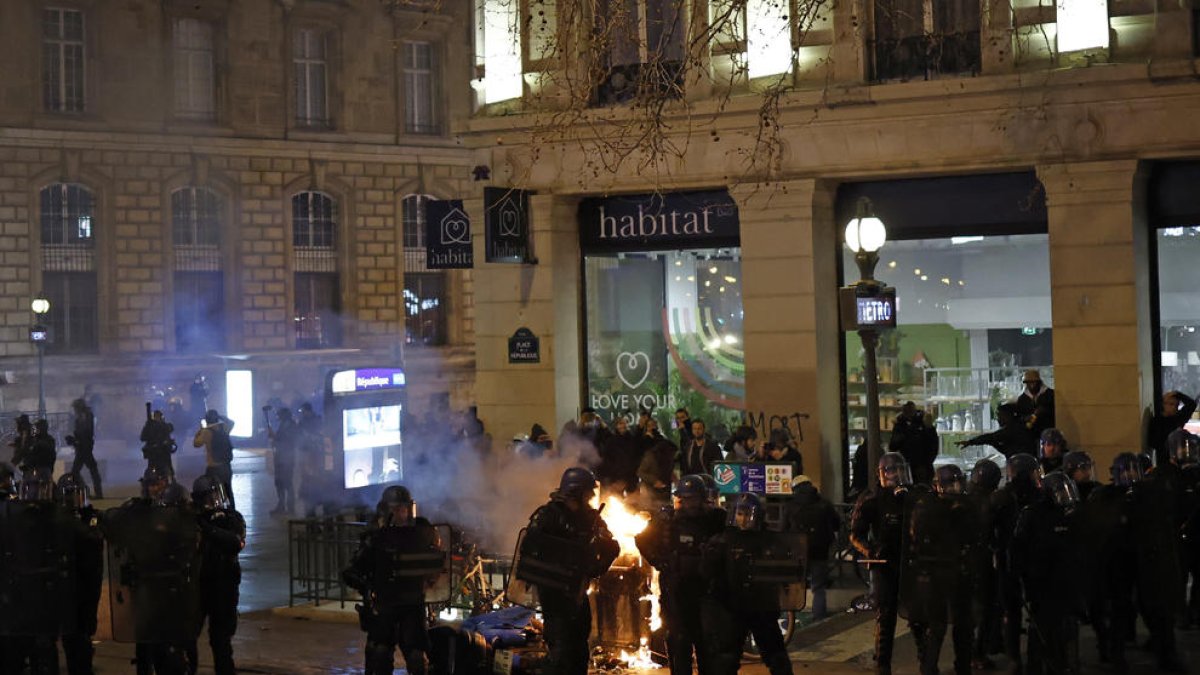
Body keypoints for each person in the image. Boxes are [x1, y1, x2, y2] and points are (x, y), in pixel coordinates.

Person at [519, 468, 619, 675]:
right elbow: (529, 547)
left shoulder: (591, 518)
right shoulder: (548, 516)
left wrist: (596, 569)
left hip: (577, 591)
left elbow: (611, 547)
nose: (591, 497)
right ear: (576, 492)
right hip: (554, 592)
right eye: (587, 492)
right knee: (560, 648)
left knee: (579, 645)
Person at [343, 486, 443, 675]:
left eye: (399, 509)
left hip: (385, 603)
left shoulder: (379, 538)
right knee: (415, 653)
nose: (398, 513)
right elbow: (436, 563)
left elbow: (355, 570)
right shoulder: (425, 533)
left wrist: (365, 586)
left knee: (380, 650)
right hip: (414, 603)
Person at [636, 475, 726, 675]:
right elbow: (642, 540)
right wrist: (660, 562)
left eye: (692, 498)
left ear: (702, 498)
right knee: (679, 645)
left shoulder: (715, 520)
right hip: (676, 593)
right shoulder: (669, 522)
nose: (688, 503)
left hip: (706, 592)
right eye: (684, 499)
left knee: (707, 647)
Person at [702, 493, 796, 675]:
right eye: (740, 514)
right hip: (732, 607)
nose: (744, 520)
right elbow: (707, 573)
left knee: (776, 656)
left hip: (762, 607)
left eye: (749, 515)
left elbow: (784, 571)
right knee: (727, 658)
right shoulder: (722, 541)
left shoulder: (769, 540)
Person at [850, 452, 922, 675]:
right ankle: (882, 664)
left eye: (901, 470)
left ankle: (927, 662)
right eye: (892, 471)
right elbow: (855, 534)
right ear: (883, 474)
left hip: (912, 561)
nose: (898, 475)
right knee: (886, 615)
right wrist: (871, 550)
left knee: (919, 615)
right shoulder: (872, 498)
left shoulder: (916, 495)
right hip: (886, 563)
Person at [904, 465, 978, 675]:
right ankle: (930, 667)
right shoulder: (928, 507)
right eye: (951, 484)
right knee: (936, 626)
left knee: (962, 625)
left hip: (956, 570)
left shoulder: (964, 505)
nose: (955, 487)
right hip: (936, 571)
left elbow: (974, 535)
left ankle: (961, 666)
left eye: (957, 483)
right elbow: (921, 537)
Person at [1011, 472, 1085, 675]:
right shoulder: (1033, 514)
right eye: (1059, 491)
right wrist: (1020, 575)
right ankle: (1038, 666)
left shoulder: (1070, 514)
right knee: (1043, 627)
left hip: (1064, 580)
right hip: (1041, 582)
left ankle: (1064, 663)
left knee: (1065, 625)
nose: (1064, 495)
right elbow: (1019, 548)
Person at [989, 452, 1042, 675]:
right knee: (1022, 611)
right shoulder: (1031, 496)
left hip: (1014, 559)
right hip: (1022, 559)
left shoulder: (1003, 496)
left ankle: (1017, 659)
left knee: (1013, 612)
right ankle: (1025, 659)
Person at [188, 475, 246, 675]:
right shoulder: (193, 521)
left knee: (220, 640)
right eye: (210, 497)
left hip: (224, 588)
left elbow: (235, 543)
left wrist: (209, 529)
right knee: (187, 635)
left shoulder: (232, 518)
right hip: (199, 586)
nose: (215, 501)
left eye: (217, 495)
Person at [58, 472, 104, 675]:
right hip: (65, 584)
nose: (73, 500)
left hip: (88, 583)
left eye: (76, 494)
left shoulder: (91, 517)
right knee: (70, 636)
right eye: (69, 495)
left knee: (84, 632)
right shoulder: (57, 520)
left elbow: (95, 539)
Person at [782, 474, 840, 620]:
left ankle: (790, 619)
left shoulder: (790, 506)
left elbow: (783, 529)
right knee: (819, 587)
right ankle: (819, 616)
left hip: (798, 551)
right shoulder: (824, 503)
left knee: (796, 585)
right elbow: (836, 523)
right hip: (820, 550)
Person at [968, 458, 1003, 669]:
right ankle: (978, 652)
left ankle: (972, 652)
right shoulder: (992, 502)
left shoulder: (966, 499)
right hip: (983, 562)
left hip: (966, 562)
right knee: (987, 608)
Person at [956, 403, 1038, 458]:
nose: (998, 419)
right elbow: (1007, 449)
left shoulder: (1013, 428)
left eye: (1000, 416)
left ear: (1008, 416)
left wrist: (971, 442)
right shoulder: (1019, 426)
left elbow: (992, 437)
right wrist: (992, 442)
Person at [194, 409, 236, 509]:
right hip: (226, 466)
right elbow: (232, 422)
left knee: (212, 492)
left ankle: (216, 512)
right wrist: (221, 417)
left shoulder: (206, 432)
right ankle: (232, 512)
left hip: (213, 467)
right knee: (228, 490)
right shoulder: (224, 428)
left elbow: (196, 443)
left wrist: (200, 429)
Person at [888, 402, 938, 485]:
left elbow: (932, 446)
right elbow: (893, 446)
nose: (908, 413)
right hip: (906, 467)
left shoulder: (923, 423)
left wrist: (926, 463)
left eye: (909, 410)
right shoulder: (900, 425)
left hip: (922, 467)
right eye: (905, 411)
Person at [1147, 390, 1197, 468]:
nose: (1174, 407)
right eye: (1171, 404)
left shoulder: (1178, 418)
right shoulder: (1156, 421)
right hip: (1164, 462)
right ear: (1163, 404)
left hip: (1180, 460)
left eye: (1176, 405)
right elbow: (1152, 442)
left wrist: (1178, 394)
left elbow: (1192, 404)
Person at [267, 407, 301, 515]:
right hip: (281, 457)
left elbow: (287, 440)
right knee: (279, 483)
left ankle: (290, 507)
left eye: (279, 415)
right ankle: (281, 505)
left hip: (287, 458)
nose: (278, 417)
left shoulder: (291, 426)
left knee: (287, 483)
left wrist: (275, 437)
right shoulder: (285, 424)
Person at [66, 398, 103, 499]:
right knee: (83, 471)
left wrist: (75, 440)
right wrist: (74, 440)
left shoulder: (86, 416)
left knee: (85, 470)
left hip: (84, 448)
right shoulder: (83, 416)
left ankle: (93, 492)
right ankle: (90, 491)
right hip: (82, 448)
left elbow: (86, 432)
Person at [1014, 370, 1055, 439]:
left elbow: (1056, 412)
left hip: (1048, 433)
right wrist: (1026, 418)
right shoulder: (1022, 399)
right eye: (1028, 383)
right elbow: (1019, 417)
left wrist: (1044, 411)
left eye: (1034, 382)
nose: (1031, 385)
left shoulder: (1050, 394)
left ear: (1039, 382)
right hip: (1030, 435)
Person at [140, 404, 178, 478]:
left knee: (166, 471)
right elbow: (143, 437)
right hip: (157, 454)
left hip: (159, 453)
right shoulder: (159, 426)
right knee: (159, 472)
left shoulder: (162, 426)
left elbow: (142, 438)